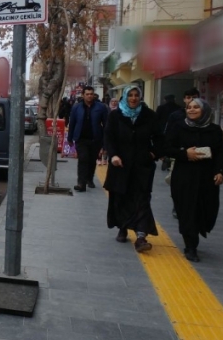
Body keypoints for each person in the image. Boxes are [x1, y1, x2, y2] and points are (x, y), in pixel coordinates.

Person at [162, 98, 223, 262]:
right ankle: (190, 245)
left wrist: (220, 171)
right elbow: (166, 148)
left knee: (205, 208)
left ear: (204, 110)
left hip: (206, 177)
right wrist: (185, 154)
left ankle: (195, 235)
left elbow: (219, 152)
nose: (191, 110)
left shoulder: (214, 130)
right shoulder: (179, 127)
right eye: (189, 107)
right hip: (184, 175)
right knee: (186, 209)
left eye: (196, 107)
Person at [103, 85, 162, 252]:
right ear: (125, 97)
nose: (134, 98)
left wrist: (153, 154)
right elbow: (109, 137)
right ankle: (122, 227)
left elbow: (160, 138)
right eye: (130, 95)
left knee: (142, 199)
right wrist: (113, 155)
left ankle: (141, 236)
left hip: (142, 166)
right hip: (120, 165)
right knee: (121, 197)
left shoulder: (149, 115)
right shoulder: (115, 115)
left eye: (137, 95)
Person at [164, 88, 200, 218]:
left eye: (194, 97)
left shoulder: (204, 114)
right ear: (184, 99)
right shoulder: (176, 115)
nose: (191, 100)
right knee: (177, 182)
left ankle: (194, 206)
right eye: (188, 97)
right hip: (179, 155)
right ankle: (177, 205)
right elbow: (168, 137)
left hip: (199, 155)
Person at [67, 86, 109, 192]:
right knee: (83, 159)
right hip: (81, 138)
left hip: (95, 139)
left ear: (94, 95)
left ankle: (89, 179)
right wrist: (70, 138)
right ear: (83, 95)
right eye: (87, 94)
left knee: (91, 160)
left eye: (91, 94)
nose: (89, 96)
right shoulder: (77, 107)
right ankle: (81, 183)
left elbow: (106, 125)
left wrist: (105, 143)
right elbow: (72, 123)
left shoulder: (101, 107)